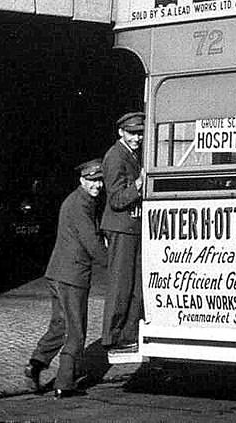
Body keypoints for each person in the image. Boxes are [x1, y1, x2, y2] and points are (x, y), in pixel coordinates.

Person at [24, 160, 108, 399]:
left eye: (99, 181)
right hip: (72, 276)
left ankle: (36, 364)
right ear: (82, 180)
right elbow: (91, 242)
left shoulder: (77, 200)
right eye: (92, 181)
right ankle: (65, 383)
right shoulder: (81, 205)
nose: (97, 186)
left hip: (58, 273)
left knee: (59, 325)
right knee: (76, 331)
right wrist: (114, 265)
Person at [101, 110, 145, 352]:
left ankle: (128, 333)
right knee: (120, 284)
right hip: (121, 227)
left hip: (132, 227)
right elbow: (116, 199)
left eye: (140, 133)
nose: (137, 138)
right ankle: (112, 336)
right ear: (121, 132)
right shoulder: (115, 157)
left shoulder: (131, 155)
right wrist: (138, 185)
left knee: (135, 283)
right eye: (132, 133)